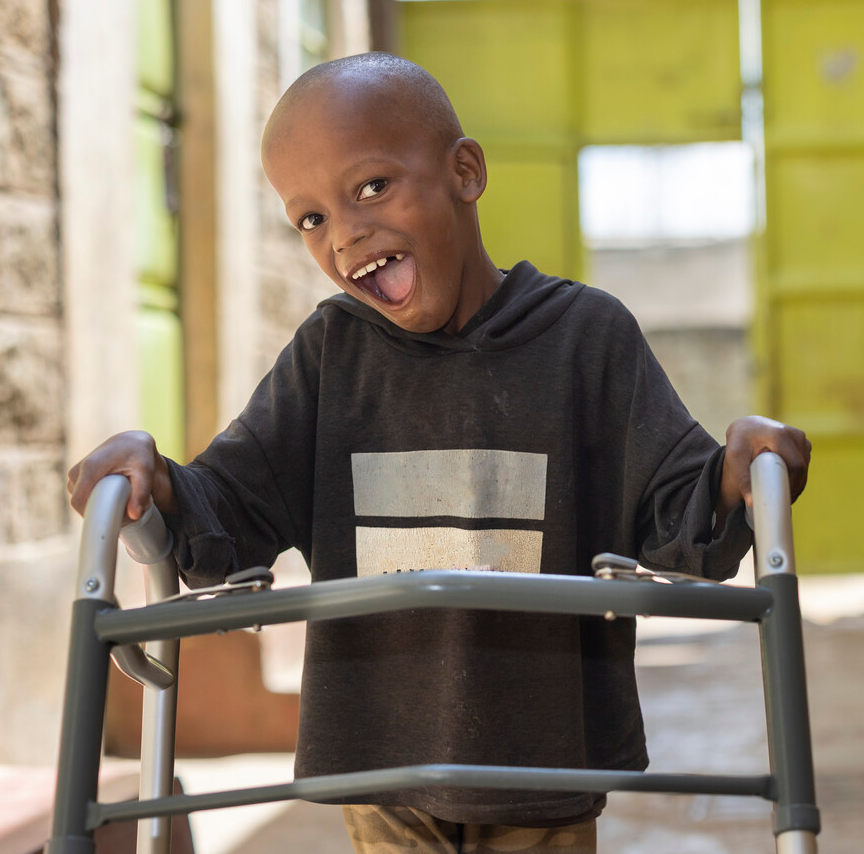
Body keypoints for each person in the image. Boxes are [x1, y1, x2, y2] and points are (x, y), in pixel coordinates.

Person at [68, 53, 811, 854]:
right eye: (311, 218)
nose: (345, 233)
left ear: (464, 172)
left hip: (543, 768)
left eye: (371, 188)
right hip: (382, 759)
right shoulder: (329, 356)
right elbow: (232, 505)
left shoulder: (587, 340)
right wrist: (163, 482)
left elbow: (677, 513)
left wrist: (735, 475)